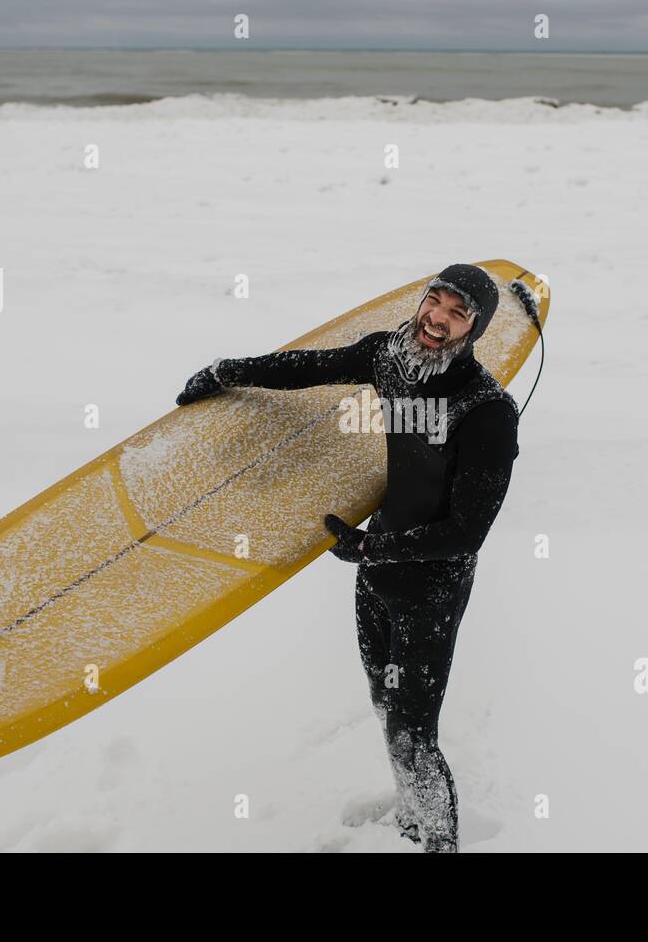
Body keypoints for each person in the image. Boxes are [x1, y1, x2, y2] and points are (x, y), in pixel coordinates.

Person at [176, 263, 521, 853]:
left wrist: (371, 547)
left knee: (416, 732)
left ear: (474, 328)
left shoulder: (487, 412)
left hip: (431, 588)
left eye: (456, 313)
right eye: (433, 301)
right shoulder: (390, 357)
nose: (436, 318)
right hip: (376, 575)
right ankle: (410, 818)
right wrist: (226, 371)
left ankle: (439, 842)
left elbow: (466, 532)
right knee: (385, 704)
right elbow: (312, 366)